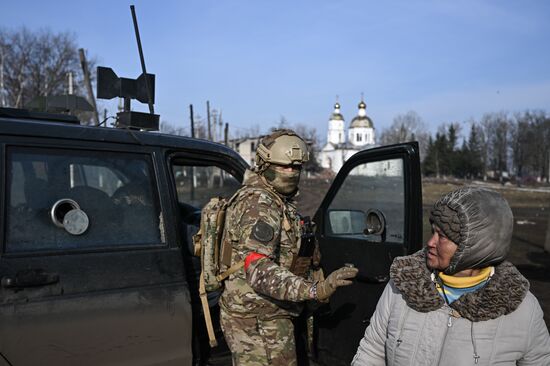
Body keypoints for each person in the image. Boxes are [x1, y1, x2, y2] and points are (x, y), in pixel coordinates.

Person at [352, 186, 550, 366]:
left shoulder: (522, 310)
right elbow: (372, 351)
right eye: (433, 232)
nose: (430, 242)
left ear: (474, 247)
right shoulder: (403, 284)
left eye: (443, 236)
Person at [220, 129, 358, 366]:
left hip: (267, 314)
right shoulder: (259, 204)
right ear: (264, 164)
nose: (291, 173)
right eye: (284, 166)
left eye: (296, 168)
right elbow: (258, 269)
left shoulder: (276, 200)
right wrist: (315, 290)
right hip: (259, 319)